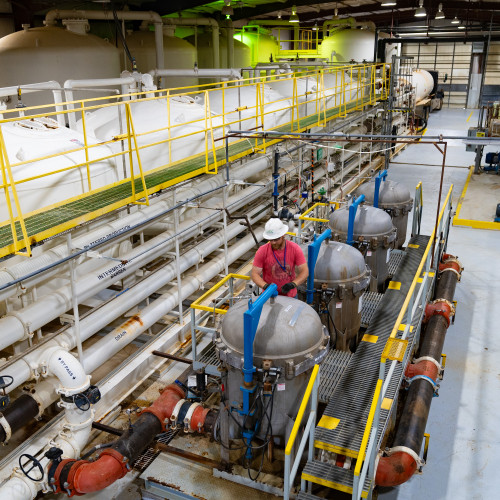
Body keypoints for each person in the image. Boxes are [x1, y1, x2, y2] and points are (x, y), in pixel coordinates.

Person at [251, 218, 308, 297]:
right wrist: (266, 286)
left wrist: (293, 284)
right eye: (271, 239)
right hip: (269, 296)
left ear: (283, 235)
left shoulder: (294, 249)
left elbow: (304, 271)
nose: (273, 242)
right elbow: (255, 274)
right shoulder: (262, 251)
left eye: (276, 239)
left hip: (290, 297)